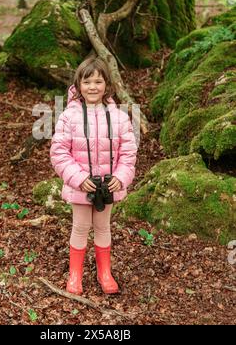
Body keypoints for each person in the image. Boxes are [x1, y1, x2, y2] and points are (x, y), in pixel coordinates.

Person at [50, 56, 138, 295]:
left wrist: (121, 177)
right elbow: (59, 153)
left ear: (107, 85)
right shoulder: (69, 116)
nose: (92, 87)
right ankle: (75, 275)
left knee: (103, 226)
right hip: (81, 186)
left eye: (98, 81)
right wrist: (78, 179)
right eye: (87, 82)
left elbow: (128, 153)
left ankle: (104, 273)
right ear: (78, 85)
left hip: (108, 186)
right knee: (80, 227)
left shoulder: (119, 117)